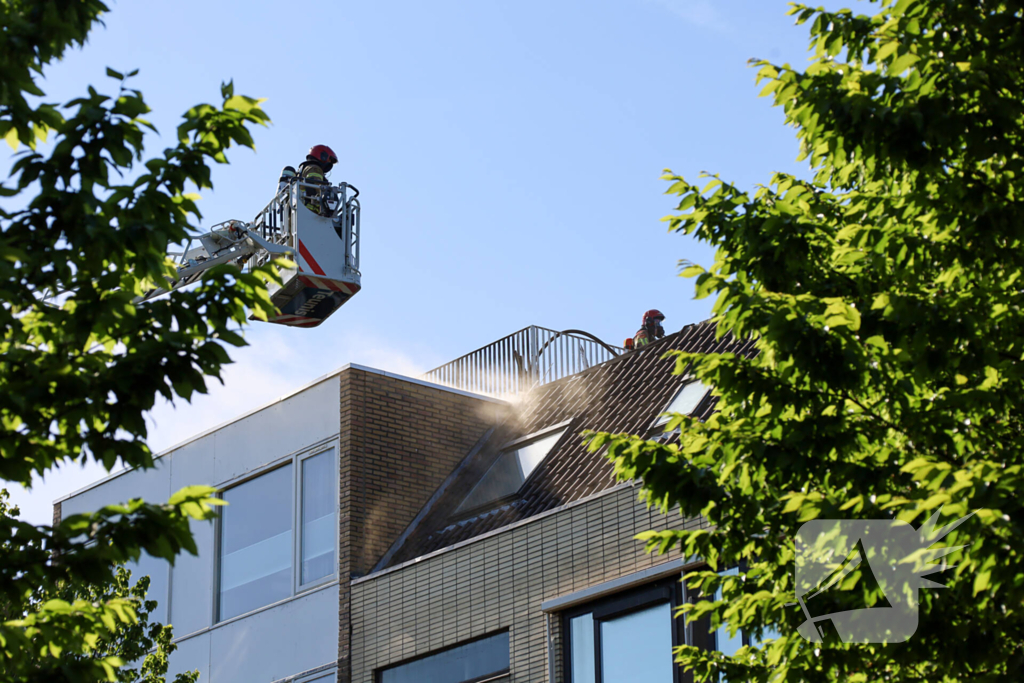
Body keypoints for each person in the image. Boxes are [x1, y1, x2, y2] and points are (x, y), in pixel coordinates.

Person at [296, 144, 339, 216]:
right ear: (323, 156)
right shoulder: (315, 168)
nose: (330, 163)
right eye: (330, 160)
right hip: (310, 213)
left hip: (300, 212)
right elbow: (314, 189)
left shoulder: (305, 169)